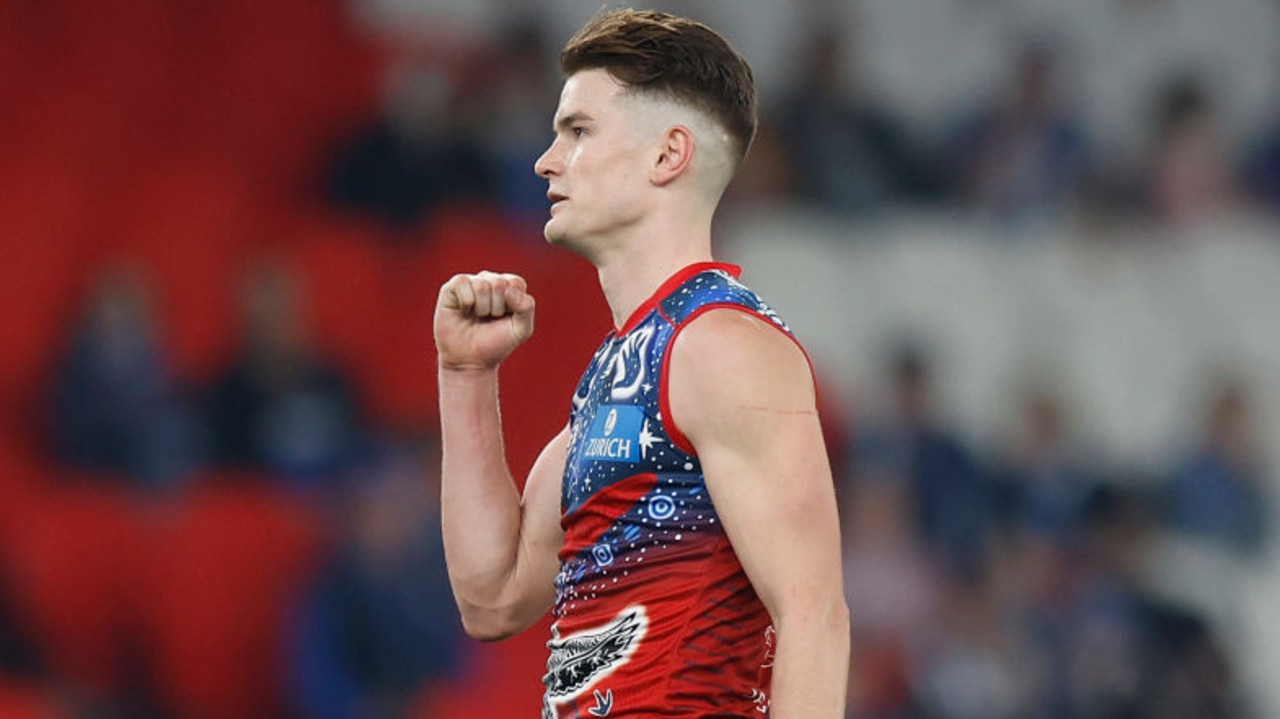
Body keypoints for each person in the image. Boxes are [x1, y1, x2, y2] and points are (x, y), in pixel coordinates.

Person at [432, 9, 848, 718]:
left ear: (668, 155)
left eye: (578, 131)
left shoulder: (723, 345)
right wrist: (465, 376)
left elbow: (813, 613)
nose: (546, 159)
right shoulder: (621, 371)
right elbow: (493, 597)